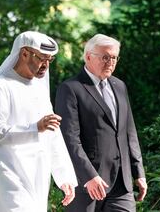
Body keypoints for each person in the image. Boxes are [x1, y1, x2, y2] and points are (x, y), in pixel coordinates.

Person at [0, 31, 78, 212]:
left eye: (50, 60)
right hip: (9, 175)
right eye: (42, 58)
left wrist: (64, 176)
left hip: (38, 175)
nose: (46, 65)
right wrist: (35, 127)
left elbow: (53, 133)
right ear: (24, 53)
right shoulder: (0, 85)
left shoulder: (39, 89)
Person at [55, 34, 147, 212]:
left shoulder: (119, 86)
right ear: (88, 56)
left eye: (114, 57)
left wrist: (138, 172)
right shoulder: (70, 88)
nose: (110, 62)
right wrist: (88, 176)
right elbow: (69, 139)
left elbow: (129, 132)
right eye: (105, 57)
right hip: (86, 185)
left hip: (122, 184)